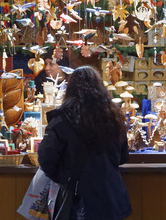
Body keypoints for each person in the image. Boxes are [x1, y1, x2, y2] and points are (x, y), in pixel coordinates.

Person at [38, 66, 131, 220]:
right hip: (111, 198)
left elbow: (46, 158)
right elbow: (123, 157)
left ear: (71, 89)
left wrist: (66, 178)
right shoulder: (113, 117)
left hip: (78, 201)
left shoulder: (62, 118)